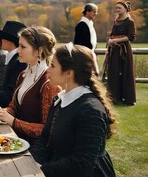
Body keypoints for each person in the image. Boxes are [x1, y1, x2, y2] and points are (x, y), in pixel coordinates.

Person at [30, 43, 116, 177]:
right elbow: (45, 138)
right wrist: (30, 162)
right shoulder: (60, 99)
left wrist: (42, 170)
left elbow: (82, 163)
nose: (48, 70)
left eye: (52, 65)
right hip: (57, 169)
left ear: (69, 73)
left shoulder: (91, 110)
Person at [0, 26, 61, 143]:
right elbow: (13, 107)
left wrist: (13, 121)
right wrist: (1, 111)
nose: (18, 50)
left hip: (33, 149)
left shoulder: (48, 83)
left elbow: (46, 129)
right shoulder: (23, 75)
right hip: (13, 138)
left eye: (23, 47)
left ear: (39, 51)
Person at [106, 0, 136, 105]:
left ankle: (128, 98)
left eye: (119, 8)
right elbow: (113, 34)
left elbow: (131, 37)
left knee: (125, 72)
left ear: (125, 9)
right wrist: (110, 40)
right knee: (114, 72)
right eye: (116, 8)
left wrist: (116, 40)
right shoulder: (116, 20)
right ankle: (115, 97)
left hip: (124, 50)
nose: (117, 10)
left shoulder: (130, 21)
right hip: (114, 50)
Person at [74, 3, 99, 74]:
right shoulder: (82, 25)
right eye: (94, 11)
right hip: (84, 57)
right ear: (87, 12)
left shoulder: (88, 24)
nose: (96, 13)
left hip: (89, 55)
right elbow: (79, 43)